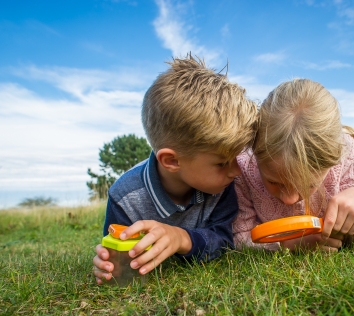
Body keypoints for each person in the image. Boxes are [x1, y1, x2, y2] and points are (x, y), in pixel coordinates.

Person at [93, 55, 258, 284]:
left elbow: (224, 241)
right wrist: (108, 262)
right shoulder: (125, 198)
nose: (236, 172)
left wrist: (181, 239)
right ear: (171, 161)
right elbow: (116, 249)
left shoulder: (222, 186)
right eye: (222, 163)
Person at [232, 78, 354, 253]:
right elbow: (238, 237)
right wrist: (288, 245)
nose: (289, 198)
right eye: (274, 182)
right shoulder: (243, 167)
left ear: (333, 161)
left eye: (308, 185)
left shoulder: (348, 159)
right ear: (255, 153)